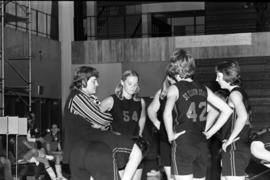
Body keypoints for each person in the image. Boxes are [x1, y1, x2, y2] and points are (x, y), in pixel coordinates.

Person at [63, 66, 143, 180]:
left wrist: (103, 120)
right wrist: (111, 117)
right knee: (136, 153)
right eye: (94, 81)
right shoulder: (77, 97)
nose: (97, 84)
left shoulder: (88, 98)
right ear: (83, 81)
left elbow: (99, 120)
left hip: (88, 147)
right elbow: (100, 117)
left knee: (135, 153)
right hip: (82, 146)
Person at [163, 49, 233, 180]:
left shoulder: (174, 88)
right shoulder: (203, 88)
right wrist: (210, 133)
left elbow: (167, 113)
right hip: (201, 144)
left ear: (173, 67)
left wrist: (170, 135)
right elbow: (227, 110)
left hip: (183, 142)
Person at [100, 70, 146, 180]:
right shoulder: (111, 100)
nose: (133, 87)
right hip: (119, 148)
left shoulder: (140, 102)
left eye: (135, 84)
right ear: (122, 82)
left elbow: (142, 118)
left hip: (135, 146)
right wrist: (103, 131)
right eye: (130, 83)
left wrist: (139, 133)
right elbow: (95, 117)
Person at [215, 60, 252, 180]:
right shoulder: (238, 93)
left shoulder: (234, 95)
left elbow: (243, 116)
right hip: (236, 146)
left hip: (235, 146)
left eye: (219, 76)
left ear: (227, 77)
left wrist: (230, 140)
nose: (216, 79)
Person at [147, 75, 176, 180]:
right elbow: (151, 109)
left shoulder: (184, 90)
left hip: (181, 136)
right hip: (166, 137)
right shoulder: (162, 93)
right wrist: (156, 122)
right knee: (170, 176)